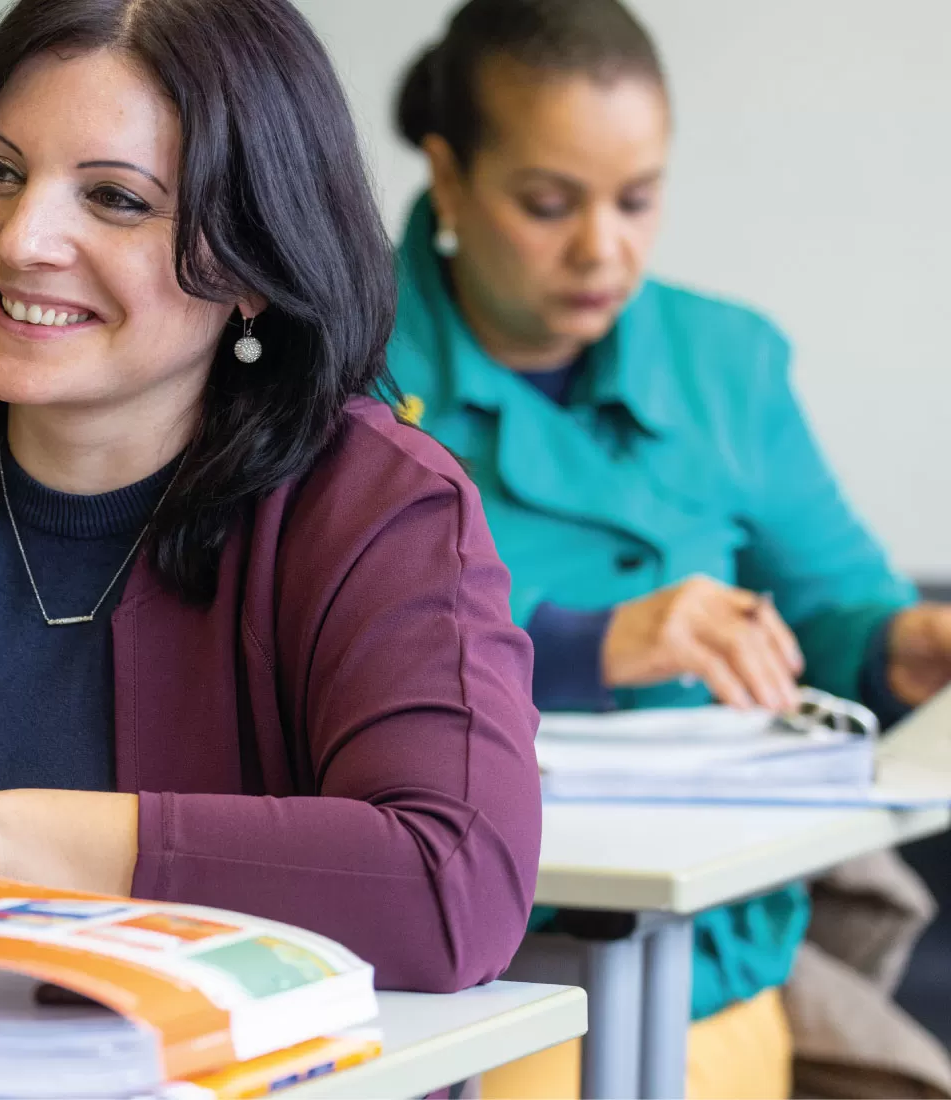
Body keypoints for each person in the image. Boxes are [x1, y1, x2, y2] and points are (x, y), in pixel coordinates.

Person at [0, 0, 542, 994]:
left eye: (115, 198)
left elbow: (451, 884)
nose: (25, 238)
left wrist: (7, 836)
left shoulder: (374, 510)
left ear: (251, 262)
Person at [385, 0, 951, 1094]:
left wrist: (898, 649)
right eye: (549, 204)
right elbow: (298, 647)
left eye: (637, 200)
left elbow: (835, 620)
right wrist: (592, 639)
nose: (605, 248)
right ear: (450, 178)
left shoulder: (726, 362)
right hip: (433, 957)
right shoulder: (333, 354)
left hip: (700, 957)